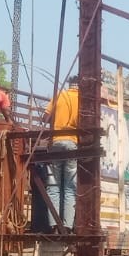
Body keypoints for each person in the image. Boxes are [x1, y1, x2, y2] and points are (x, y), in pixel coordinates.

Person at [46, 76, 80, 232]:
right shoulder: (82, 100)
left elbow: (46, 117)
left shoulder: (59, 95)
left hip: (56, 143)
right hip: (72, 143)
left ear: (69, 84)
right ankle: (66, 226)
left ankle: (54, 225)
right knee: (69, 188)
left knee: (54, 186)